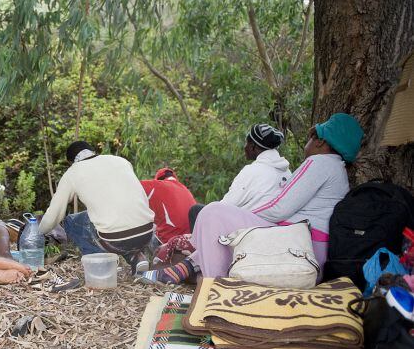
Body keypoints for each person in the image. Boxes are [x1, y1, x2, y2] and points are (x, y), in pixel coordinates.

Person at [137, 113, 364, 284]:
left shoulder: (319, 162)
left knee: (211, 214)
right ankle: (184, 269)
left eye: (310, 138)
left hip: (300, 244)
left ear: (320, 142)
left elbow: (279, 208)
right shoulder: (335, 169)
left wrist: (241, 222)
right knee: (220, 221)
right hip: (311, 245)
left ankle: (213, 286)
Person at [38, 141, 155, 271]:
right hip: (147, 233)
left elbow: (54, 215)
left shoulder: (73, 172)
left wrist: (37, 233)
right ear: (94, 152)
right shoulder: (121, 161)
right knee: (119, 221)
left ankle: (102, 265)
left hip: (115, 240)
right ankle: (136, 257)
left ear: (70, 162)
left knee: (71, 222)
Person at [187, 123, 291, 232]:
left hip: (252, 228)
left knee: (197, 211)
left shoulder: (253, 170)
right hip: (275, 226)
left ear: (253, 146)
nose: (244, 147)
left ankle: (204, 248)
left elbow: (225, 206)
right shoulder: (287, 172)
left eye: (246, 143)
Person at [140, 167, 196, 243]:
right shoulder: (185, 189)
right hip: (191, 240)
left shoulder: (156, 185)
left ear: (158, 179)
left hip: (169, 241)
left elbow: (134, 185)